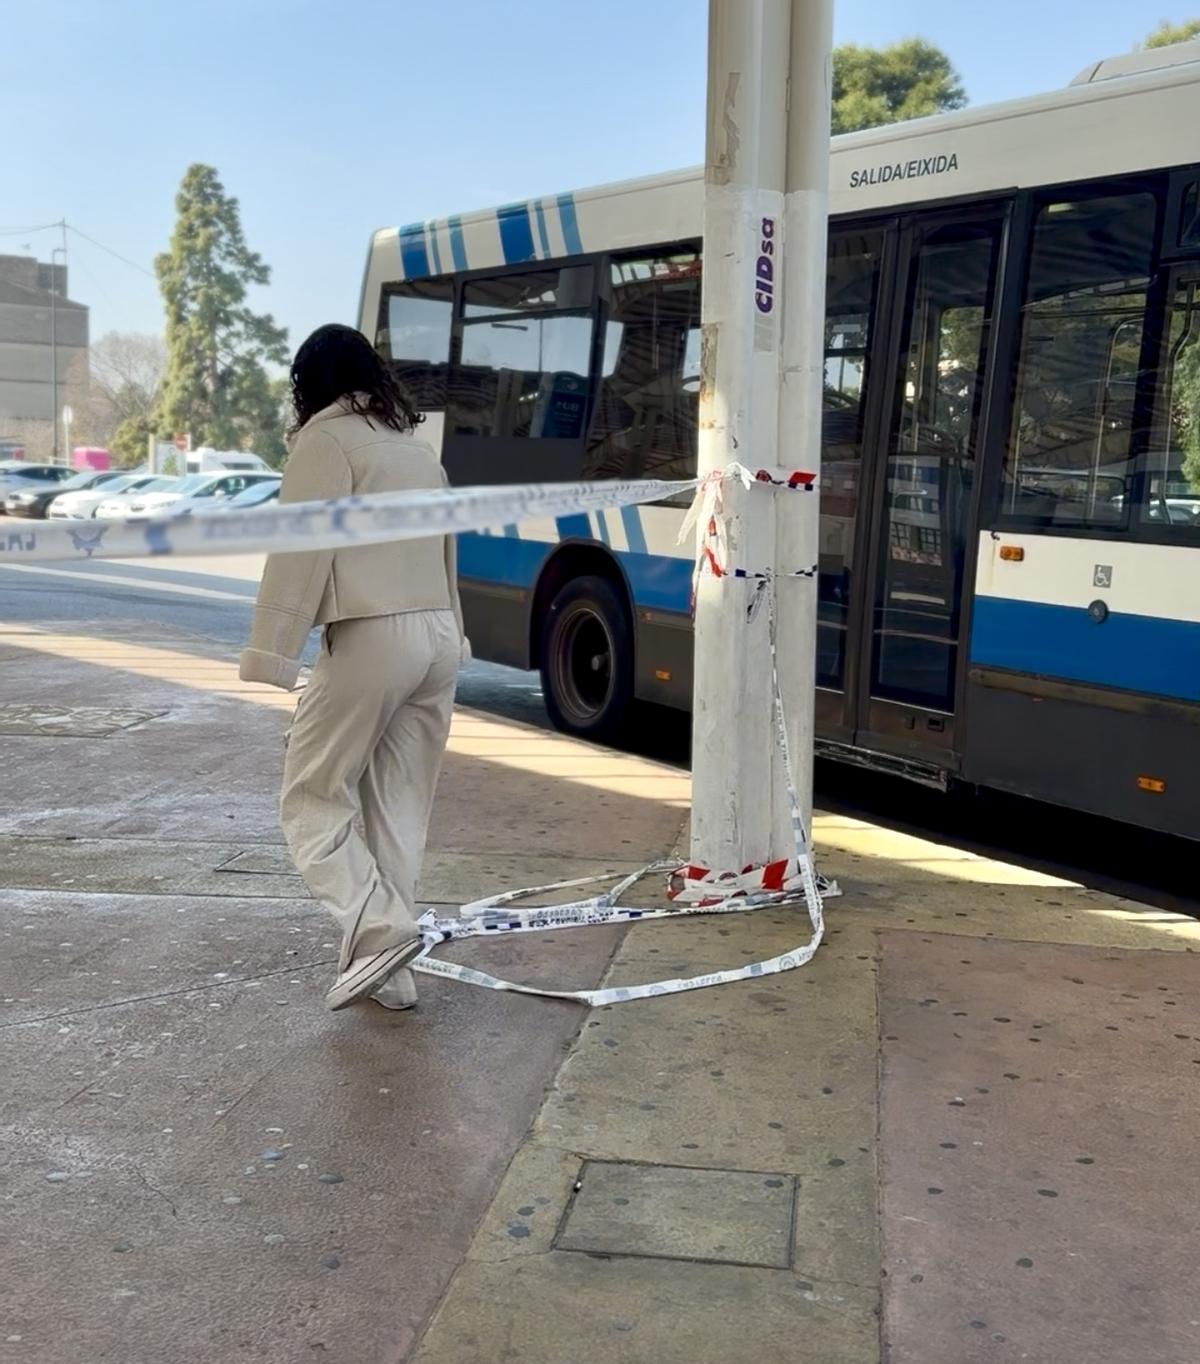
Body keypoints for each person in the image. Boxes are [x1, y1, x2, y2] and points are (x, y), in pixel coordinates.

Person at [239, 324, 466, 1013]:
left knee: (310, 799)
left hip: (373, 633)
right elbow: (448, 547)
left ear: (309, 383)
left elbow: (298, 553)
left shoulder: (325, 442)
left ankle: (382, 930)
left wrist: (272, 653)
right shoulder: (413, 447)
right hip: (438, 636)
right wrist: (455, 634)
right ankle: (391, 977)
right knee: (398, 809)